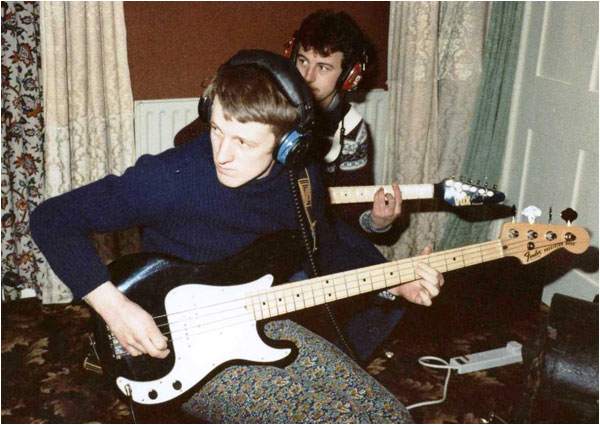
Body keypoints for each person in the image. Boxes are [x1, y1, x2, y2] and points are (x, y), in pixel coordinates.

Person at [30, 50, 443, 423]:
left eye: (244, 141)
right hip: (177, 350)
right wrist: (115, 310)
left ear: (288, 145)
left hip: (257, 320)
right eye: (216, 129)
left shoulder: (301, 178)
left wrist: (394, 279)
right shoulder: (169, 177)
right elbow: (52, 219)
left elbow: (327, 244)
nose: (222, 154)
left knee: (388, 415)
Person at [285, 9, 402, 241]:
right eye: (302, 61)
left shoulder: (352, 129)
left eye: (323, 67)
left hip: (312, 238)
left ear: (349, 76)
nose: (307, 76)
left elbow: (352, 214)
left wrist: (377, 222)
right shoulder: (264, 103)